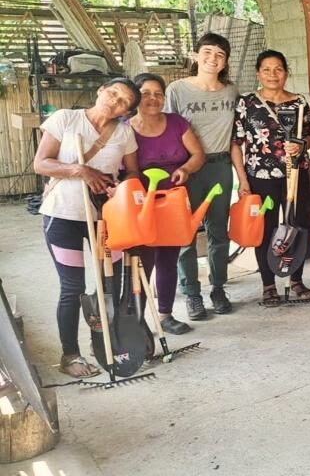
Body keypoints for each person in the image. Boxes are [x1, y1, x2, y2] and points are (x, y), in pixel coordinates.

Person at [33, 78, 141, 378]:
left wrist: (121, 186)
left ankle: (104, 343)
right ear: (101, 90)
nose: (115, 100)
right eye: (113, 93)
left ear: (126, 111)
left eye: (123, 101)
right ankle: (70, 355)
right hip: (62, 216)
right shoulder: (66, 118)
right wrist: (80, 169)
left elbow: (133, 172)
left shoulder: (124, 132)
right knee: (72, 288)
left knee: (111, 283)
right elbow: (41, 164)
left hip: (105, 218)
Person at [231, 50, 310, 306]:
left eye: (278, 69)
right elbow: (236, 143)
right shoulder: (247, 103)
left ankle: (296, 279)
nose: (272, 74)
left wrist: (301, 145)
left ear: (286, 73)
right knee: (265, 228)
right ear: (258, 73)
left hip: (295, 175)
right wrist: (243, 180)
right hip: (260, 176)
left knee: (296, 225)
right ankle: (268, 285)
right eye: (266, 69)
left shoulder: (298, 102)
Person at [165, 33, 237, 320]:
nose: (212, 58)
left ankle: (218, 288)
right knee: (186, 232)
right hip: (187, 168)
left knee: (219, 231)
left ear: (225, 62)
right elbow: (167, 129)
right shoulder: (177, 90)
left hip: (220, 166)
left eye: (219, 54)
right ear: (196, 55)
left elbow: (236, 137)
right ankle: (192, 292)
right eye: (207, 52)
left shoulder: (231, 92)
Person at [130, 73, 205, 334]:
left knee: (168, 258)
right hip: (141, 203)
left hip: (173, 201)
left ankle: (165, 315)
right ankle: (137, 320)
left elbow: (198, 154)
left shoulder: (176, 123)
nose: (153, 99)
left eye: (158, 94)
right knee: (142, 261)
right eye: (146, 93)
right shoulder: (125, 129)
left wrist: (185, 169)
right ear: (135, 97)